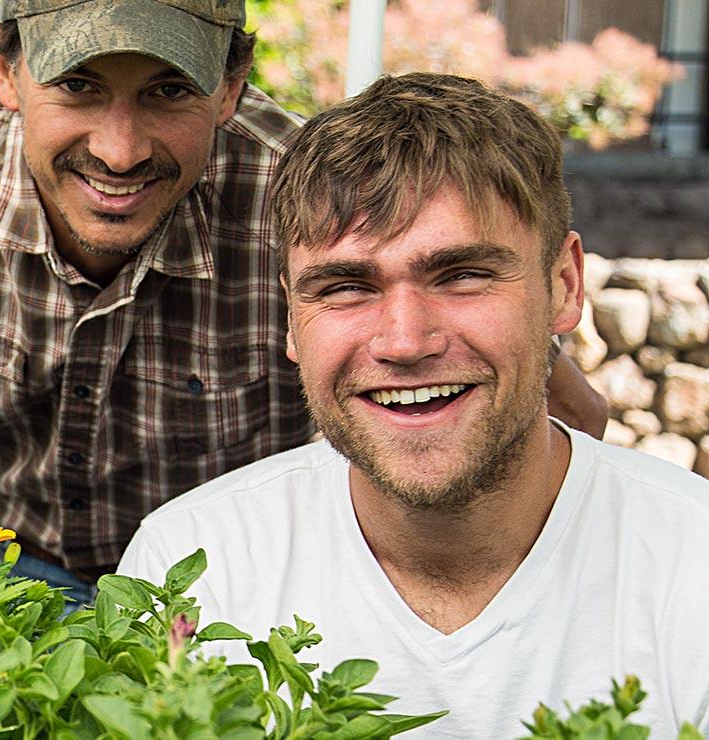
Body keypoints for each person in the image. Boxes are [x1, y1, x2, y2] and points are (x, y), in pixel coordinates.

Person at [0, 0, 607, 594]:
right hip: (0, 570)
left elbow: (563, 411)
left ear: (230, 84)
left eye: (167, 92)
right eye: (79, 85)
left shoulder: (316, 204)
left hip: (241, 593)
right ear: (7, 69)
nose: (119, 150)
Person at [118, 73, 709, 737]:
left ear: (565, 286)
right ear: (290, 318)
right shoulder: (196, 565)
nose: (404, 341)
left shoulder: (695, 565)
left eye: (462, 276)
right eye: (345, 287)